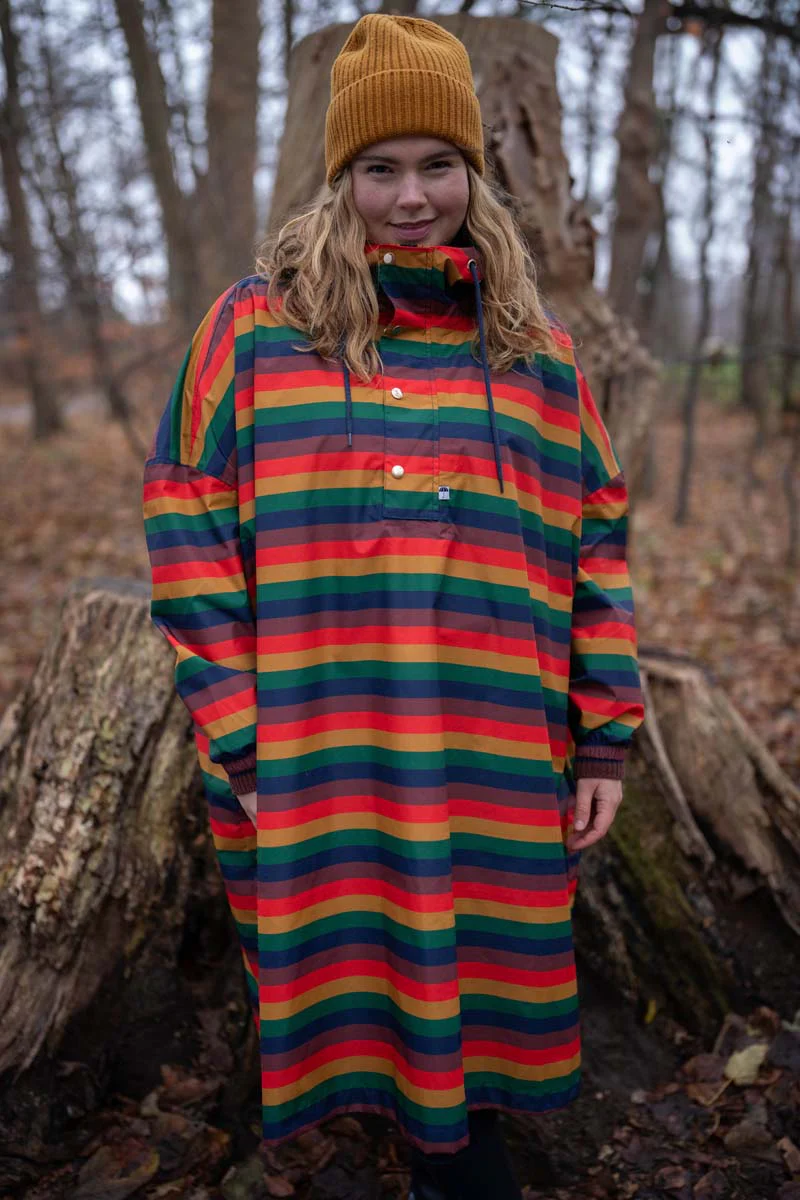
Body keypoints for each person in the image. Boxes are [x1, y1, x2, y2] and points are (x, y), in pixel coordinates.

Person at [142, 13, 645, 1199]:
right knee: (349, 982)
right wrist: (240, 738)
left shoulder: (534, 354)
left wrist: (604, 735)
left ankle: (463, 1159)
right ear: (340, 178)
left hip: (495, 754)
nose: (410, 197)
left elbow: (595, 541)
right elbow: (184, 523)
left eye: (435, 165)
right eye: (378, 168)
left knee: (484, 991)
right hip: (319, 755)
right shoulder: (255, 330)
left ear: (474, 172)